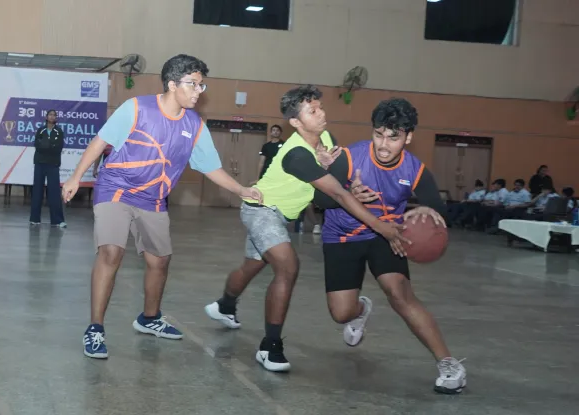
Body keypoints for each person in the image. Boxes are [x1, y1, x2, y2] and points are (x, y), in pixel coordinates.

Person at [62, 54, 262, 359]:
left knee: (160, 262)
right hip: (116, 188)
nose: (199, 91)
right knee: (111, 252)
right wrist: (76, 176)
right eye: (192, 84)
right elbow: (100, 141)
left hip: (153, 198)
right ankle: (95, 328)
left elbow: (211, 167)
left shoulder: (194, 125)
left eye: (201, 85)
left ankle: (149, 318)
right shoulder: (137, 108)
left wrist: (241, 189)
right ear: (172, 84)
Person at [203, 85, 408, 372]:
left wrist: (349, 183)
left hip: (280, 216)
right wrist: (381, 227)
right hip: (261, 210)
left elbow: (333, 189)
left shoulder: (326, 138)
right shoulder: (296, 154)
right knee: (287, 266)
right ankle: (270, 346)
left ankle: (225, 305)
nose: (321, 114)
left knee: (251, 266)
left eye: (320, 107)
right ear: (295, 122)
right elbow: (336, 194)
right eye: (312, 111)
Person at [309, 98, 466, 394]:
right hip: (342, 236)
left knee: (400, 294)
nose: (383, 144)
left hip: (386, 235)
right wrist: (347, 192)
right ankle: (360, 310)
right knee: (341, 314)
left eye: (393, 137)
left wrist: (426, 210)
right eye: (379, 134)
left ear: (408, 137)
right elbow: (320, 201)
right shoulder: (349, 158)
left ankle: (449, 364)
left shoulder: (415, 170)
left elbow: (438, 208)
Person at [30, 108, 66, 227]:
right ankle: (34, 219)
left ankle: (57, 220)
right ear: (46, 117)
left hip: (53, 164)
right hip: (40, 163)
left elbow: (58, 148)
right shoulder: (41, 130)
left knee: (54, 192)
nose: (52, 116)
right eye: (50, 114)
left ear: (56, 118)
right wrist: (49, 145)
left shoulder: (59, 131)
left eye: (54, 115)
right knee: (37, 191)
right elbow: (37, 145)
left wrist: (46, 145)